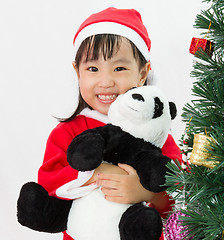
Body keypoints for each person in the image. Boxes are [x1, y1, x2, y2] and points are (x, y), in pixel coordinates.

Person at [37, 7, 181, 240]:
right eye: (92, 69)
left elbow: (180, 198)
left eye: (119, 68)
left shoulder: (156, 135)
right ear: (78, 72)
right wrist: (92, 173)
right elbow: (47, 185)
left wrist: (145, 192)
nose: (105, 82)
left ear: (143, 73)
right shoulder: (67, 132)